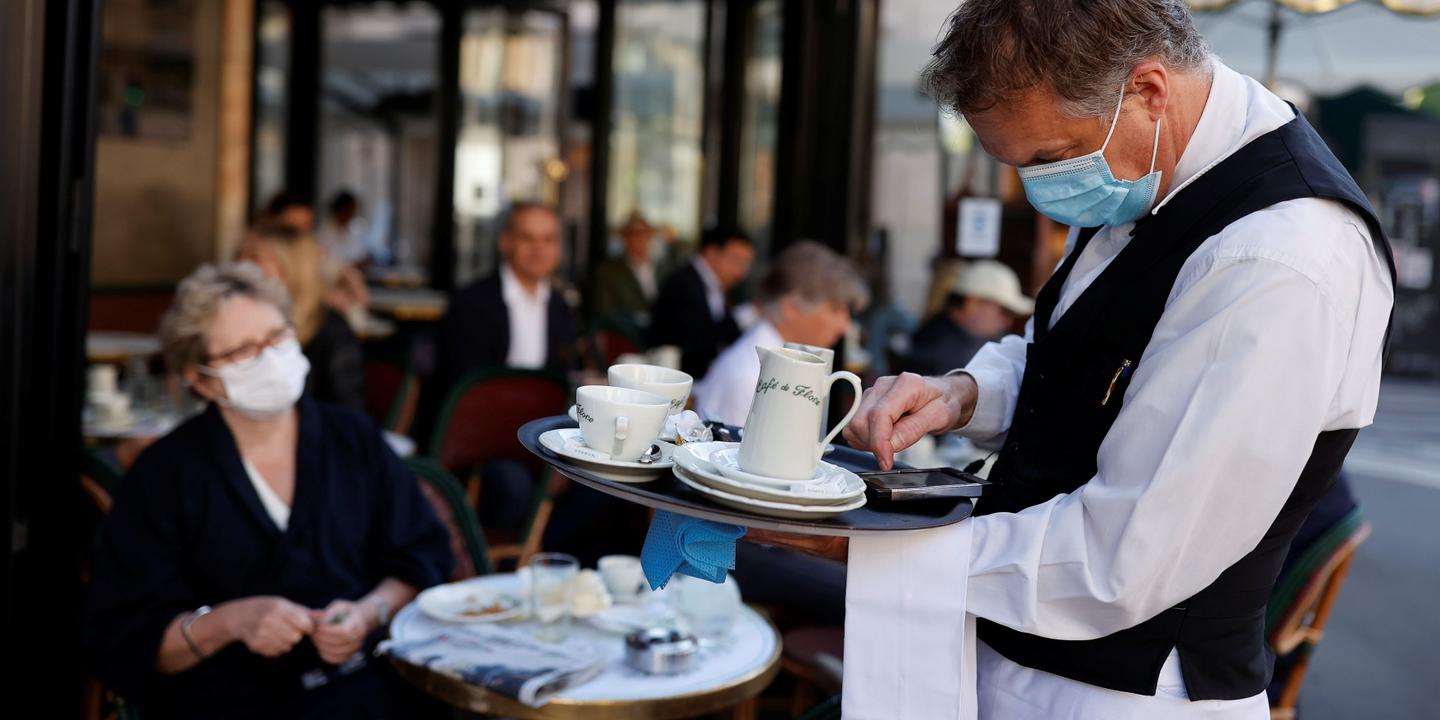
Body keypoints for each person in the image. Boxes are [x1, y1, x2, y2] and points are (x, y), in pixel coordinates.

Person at [751, 2, 1395, 719]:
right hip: (1004, 651)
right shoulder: (1152, 161)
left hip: (1121, 696)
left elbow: (1124, 556)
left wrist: (866, 551)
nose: (1041, 192)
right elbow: (1086, 349)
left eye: (1049, 159)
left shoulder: (1279, 258)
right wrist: (964, 393)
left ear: (1149, 91)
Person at [83, 262, 453, 719]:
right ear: (200, 379)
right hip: (230, 704)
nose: (268, 357)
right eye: (242, 350)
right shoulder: (167, 473)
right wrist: (230, 622)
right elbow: (131, 639)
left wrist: (367, 613)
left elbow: (422, 559)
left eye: (277, 337)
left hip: (366, 687)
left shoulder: (353, 439)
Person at [428, 202, 578, 531]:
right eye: (528, 238)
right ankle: (506, 567)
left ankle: (549, 562)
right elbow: (465, 390)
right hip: (484, 443)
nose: (539, 249)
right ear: (505, 242)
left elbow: (565, 379)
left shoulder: (561, 307)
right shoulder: (471, 303)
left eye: (549, 240)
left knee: (600, 486)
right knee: (514, 485)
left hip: (544, 438)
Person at [692, 241, 869, 427]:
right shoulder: (752, 379)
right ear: (790, 307)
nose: (845, 326)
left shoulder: (764, 366)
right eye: (835, 309)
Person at [238, 225, 364, 410]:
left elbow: (346, 413)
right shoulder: (239, 324)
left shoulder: (331, 330)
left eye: (255, 259)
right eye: (239, 257)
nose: (241, 267)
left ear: (292, 268)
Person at [649, 226, 755, 379]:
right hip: (676, 380)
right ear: (711, 252)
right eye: (736, 260)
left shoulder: (717, 285)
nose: (741, 272)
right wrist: (741, 317)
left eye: (746, 264)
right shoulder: (682, 284)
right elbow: (694, 341)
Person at [905, 259, 1034, 375]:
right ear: (971, 304)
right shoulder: (944, 353)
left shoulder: (941, 335)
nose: (1008, 321)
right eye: (1004, 311)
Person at [587, 210, 676, 329]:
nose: (640, 240)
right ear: (625, 238)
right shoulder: (608, 272)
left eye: (645, 234)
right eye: (634, 235)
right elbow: (606, 313)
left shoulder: (663, 269)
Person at [316, 189, 369, 267]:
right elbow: (327, 264)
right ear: (340, 210)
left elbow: (359, 253)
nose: (352, 214)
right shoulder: (323, 234)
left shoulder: (353, 230)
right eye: (350, 210)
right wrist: (351, 264)